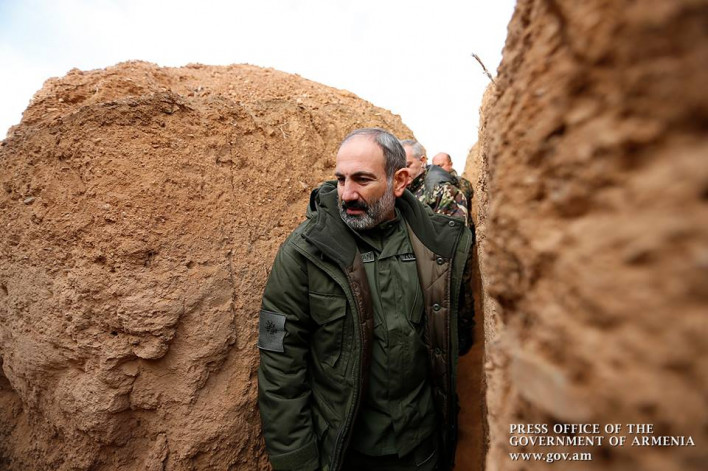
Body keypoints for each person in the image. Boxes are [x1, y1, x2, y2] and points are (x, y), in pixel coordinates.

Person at [258, 128, 474, 471]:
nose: (347, 194)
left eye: (362, 179)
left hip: (423, 448)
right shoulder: (305, 252)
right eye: (341, 179)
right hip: (347, 453)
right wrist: (297, 461)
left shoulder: (435, 246)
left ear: (399, 181)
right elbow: (279, 364)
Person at [401, 140, 468, 224]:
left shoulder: (444, 191)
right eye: (398, 167)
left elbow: (451, 230)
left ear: (422, 161)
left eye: (407, 165)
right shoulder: (397, 191)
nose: (402, 171)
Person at [431, 153, 473, 219]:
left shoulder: (461, 183)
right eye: (435, 167)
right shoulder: (430, 186)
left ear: (450, 164)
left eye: (440, 166)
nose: (437, 169)